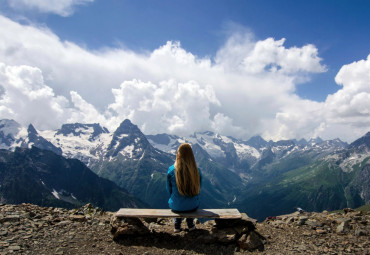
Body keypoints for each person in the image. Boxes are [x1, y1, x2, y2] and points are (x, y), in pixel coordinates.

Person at [166, 143, 202, 233]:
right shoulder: (197, 170)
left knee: (177, 202)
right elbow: (198, 187)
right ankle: (190, 224)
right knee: (190, 202)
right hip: (193, 206)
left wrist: (174, 197)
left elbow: (168, 189)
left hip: (175, 206)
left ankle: (177, 225)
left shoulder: (171, 170)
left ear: (178, 154)